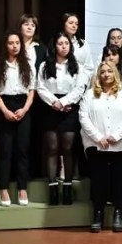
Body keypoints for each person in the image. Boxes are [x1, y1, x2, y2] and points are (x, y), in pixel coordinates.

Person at [80, 61, 122, 233]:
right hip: (96, 146)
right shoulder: (90, 94)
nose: (106, 74)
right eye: (103, 72)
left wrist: (116, 135)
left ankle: (119, 214)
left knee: (119, 181)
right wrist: (99, 137)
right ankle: (98, 214)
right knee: (99, 181)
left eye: (109, 71)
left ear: (115, 74)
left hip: (120, 145)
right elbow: (83, 117)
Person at [37, 33, 87, 205]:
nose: (64, 46)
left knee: (68, 148)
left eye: (67, 43)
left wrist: (64, 102)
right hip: (50, 107)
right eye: (60, 43)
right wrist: (55, 102)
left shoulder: (77, 66)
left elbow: (80, 88)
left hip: (69, 108)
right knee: (51, 148)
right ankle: (52, 188)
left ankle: (67, 187)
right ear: (54, 46)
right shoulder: (45, 65)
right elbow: (40, 87)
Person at [0, 32, 36, 207]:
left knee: (23, 150)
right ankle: (3, 189)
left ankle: (22, 188)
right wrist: (4, 111)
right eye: (11, 43)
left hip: (23, 106)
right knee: (5, 150)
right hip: (4, 106)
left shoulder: (27, 66)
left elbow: (32, 90)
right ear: (5, 45)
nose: (15, 46)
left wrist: (24, 109)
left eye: (17, 42)